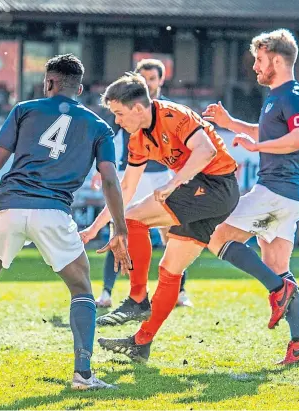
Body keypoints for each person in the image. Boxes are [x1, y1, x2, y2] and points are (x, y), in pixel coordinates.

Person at [0, 54, 131, 390]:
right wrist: (120, 228)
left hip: (8, 208)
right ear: (79, 89)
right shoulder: (99, 126)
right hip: (53, 212)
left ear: (49, 82)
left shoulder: (24, 110)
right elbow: (110, 181)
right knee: (81, 289)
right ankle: (83, 375)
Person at [80, 73, 241, 361]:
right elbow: (125, 188)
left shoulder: (173, 114)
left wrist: (172, 184)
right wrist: (94, 228)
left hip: (215, 186)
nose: (117, 121)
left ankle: (138, 298)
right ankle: (141, 343)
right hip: (205, 193)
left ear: (138, 109)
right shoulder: (137, 138)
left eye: (119, 113)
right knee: (170, 271)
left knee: (132, 220)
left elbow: (206, 151)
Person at [203, 29, 299, 365]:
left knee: (215, 235)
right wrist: (231, 123)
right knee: (278, 267)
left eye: (259, 59)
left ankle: (277, 291)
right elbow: (269, 132)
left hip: (275, 193)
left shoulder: (292, 95)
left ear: (277, 60)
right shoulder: (276, 96)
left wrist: (258, 147)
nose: (254, 66)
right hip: (287, 197)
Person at [93, 59, 192, 313]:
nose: (147, 82)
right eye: (142, 77)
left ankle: (180, 291)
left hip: (160, 177)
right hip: (131, 173)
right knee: (120, 229)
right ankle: (107, 291)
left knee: (172, 235)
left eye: (151, 78)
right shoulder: (124, 109)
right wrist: (101, 169)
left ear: (161, 80)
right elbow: (105, 136)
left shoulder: (167, 111)